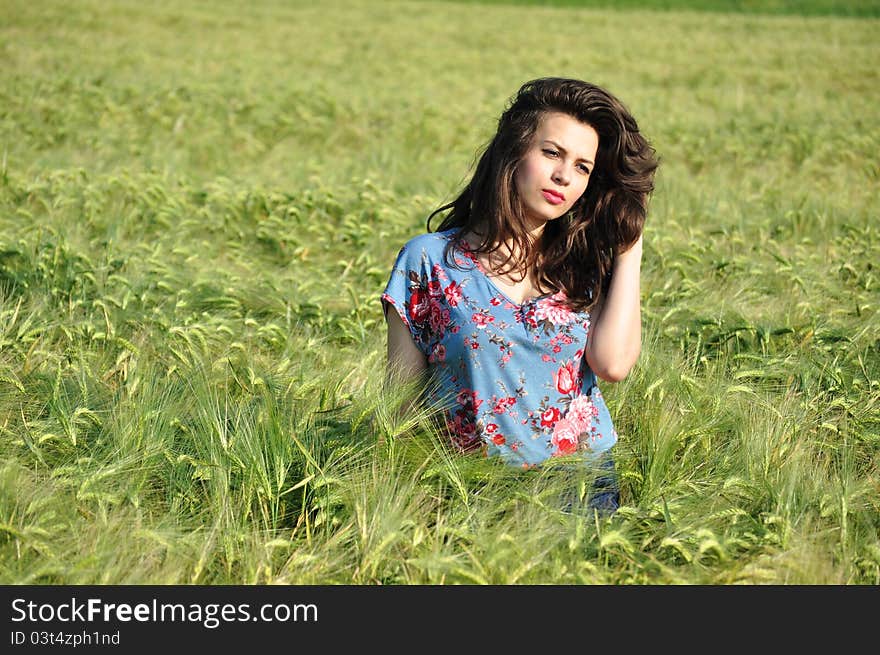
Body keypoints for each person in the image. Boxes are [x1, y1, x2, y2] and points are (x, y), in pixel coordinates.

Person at [380, 77, 658, 513]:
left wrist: (629, 247)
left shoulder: (586, 264)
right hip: (474, 489)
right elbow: (400, 403)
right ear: (513, 151)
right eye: (552, 153)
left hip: (582, 483)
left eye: (583, 167)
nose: (564, 175)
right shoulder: (428, 262)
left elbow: (613, 364)